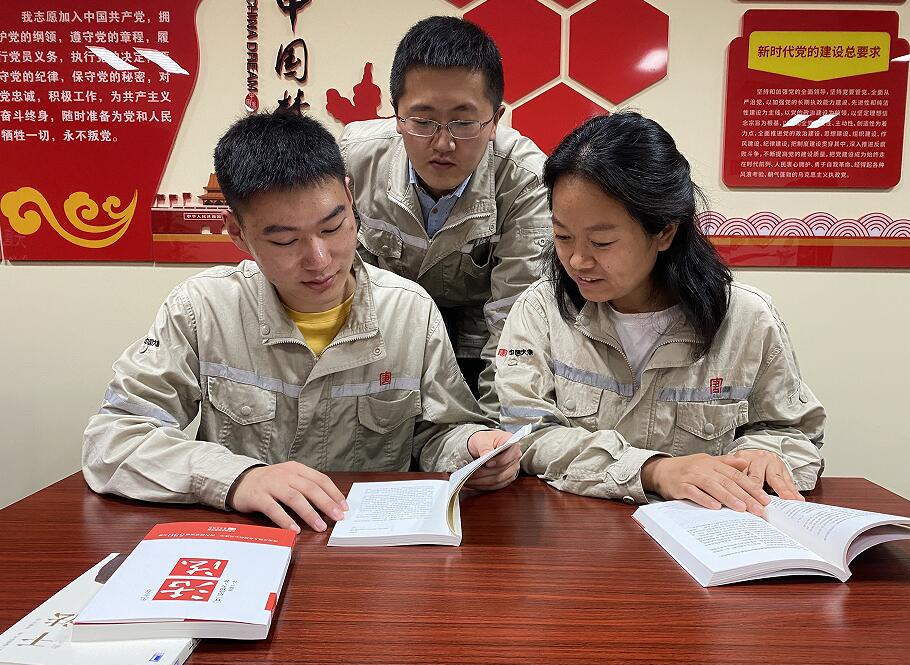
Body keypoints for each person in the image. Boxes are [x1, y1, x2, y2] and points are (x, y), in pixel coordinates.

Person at [82, 111, 521, 534]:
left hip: (365, 547)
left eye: (333, 227)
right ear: (237, 232)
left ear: (350, 198)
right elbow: (113, 439)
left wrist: (472, 449)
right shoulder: (202, 310)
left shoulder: (409, 312)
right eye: (285, 240)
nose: (319, 259)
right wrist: (239, 478)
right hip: (249, 541)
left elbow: (438, 434)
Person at [495, 112, 825, 513]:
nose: (578, 260)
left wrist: (766, 454)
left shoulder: (745, 318)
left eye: (601, 242)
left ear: (665, 231)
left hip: (709, 534)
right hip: (580, 535)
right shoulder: (541, 311)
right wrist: (651, 470)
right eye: (563, 236)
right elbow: (526, 433)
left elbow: (793, 431)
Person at [338, 15, 550, 415]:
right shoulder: (355, 159)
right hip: (385, 336)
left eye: (464, 122)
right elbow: (346, 284)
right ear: (396, 116)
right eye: (423, 121)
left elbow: (514, 322)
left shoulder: (525, 179)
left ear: (495, 120)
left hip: (479, 342)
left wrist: (495, 433)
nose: (443, 143)